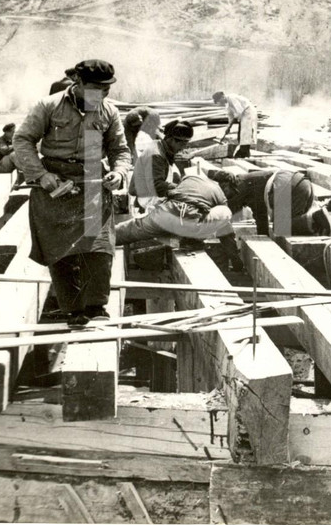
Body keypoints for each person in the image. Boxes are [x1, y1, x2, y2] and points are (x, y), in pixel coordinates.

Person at [14, 59, 132, 328]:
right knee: (61, 252)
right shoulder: (48, 106)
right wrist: (41, 175)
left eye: (106, 90)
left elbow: (120, 150)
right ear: (78, 83)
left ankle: (96, 306)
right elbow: (22, 140)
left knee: (99, 248)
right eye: (95, 89)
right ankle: (73, 310)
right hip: (55, 185)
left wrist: (119, 172)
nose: (101, 95)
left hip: (92, 183)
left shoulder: (108, 112)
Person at [116, 170, 242, 271]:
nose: (231, 195)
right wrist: (237, 263)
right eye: (231, 191)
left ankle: (102, 238)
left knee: (133, 228)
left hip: (164, 213)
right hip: (187, 221)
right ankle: (189, 240)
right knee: (226, 212)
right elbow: (226, 233)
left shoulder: (192, 177)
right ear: (225, 185)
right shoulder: (220, 195)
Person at [206, 167, 331, 237]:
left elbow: (227, 216)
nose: (223, 194)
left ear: (227, 184)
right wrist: (263, 235)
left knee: (281, 228)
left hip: (287, 187)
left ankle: (314, 218)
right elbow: (259, 211)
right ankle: (316, 221)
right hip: (302, 182)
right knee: (290, 222)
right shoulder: (243, 182)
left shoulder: (239, 188)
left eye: (223, 189)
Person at [130, 119, 192, 212]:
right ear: (171, 140)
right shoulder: (156, 155)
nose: (183, 148)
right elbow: (157, 186)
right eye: (182, 144)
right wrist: (181, 188)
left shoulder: (161, 146)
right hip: (147, 199)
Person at [213, 90, 256, 157]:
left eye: (219, 101)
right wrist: (228, 128)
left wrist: (234, 119)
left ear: (222, 97)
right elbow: (230, 117)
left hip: (248, 111)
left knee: (245, 133)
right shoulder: (228, 106)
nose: (220, 103)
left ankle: (244, 152)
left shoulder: (232, 98)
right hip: (243, 115)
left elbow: (239, 111)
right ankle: (245, 152)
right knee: (241, 134)